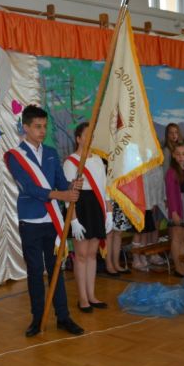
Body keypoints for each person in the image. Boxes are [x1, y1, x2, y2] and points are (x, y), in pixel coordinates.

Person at [4, 105, 84, 337]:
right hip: (30, 220)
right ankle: (38, 317)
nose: (42, 131)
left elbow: (60, 182)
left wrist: (71, 186)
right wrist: (61, 195)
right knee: (35, 271)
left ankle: (63, 316)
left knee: (56, 268)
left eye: (44, 126)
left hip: (52, 220)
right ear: (26, 128)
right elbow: (29, 188)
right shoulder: (14, 156)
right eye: (37, 126)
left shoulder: (50, 152)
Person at [63, 122, 112, 312]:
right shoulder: (70, 162)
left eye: (92, 135)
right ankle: (82, 298)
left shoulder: (98, 160)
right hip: (80, 207)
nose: (90, 138)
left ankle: (92, 295)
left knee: (92, 254)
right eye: (86, 135)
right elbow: (69, 194)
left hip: (96, 207)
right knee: (81, 255)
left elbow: (104, 189)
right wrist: (73, 219)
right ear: (78, 139)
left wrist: (108, 213)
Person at [164, 142, 184, 277]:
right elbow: (171, 194)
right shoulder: (171, 172)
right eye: (178, 154)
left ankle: (182, 265)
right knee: (177, 238)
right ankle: (177, 267)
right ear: (173, 155)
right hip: (178, 206)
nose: (181, 157)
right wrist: (174, 212)